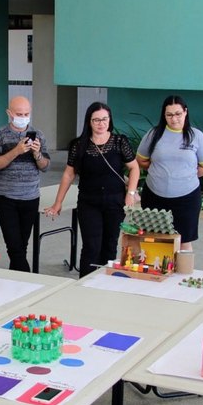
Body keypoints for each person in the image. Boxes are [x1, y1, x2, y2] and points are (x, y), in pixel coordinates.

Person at [44, 102, 140, 276]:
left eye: (105, 119)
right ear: (89, 121)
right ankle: (86, 283)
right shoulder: (78, 145)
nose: (101, 123)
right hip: (89, 201)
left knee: (110, 245)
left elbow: (134, 168)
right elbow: (68, 175)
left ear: (109, 120)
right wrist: (57, 203)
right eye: (96, 120)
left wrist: (131, 193)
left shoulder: (120, 142)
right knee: (91, 245)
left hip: (115, 201)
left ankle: (105, 283)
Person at [136, 95, 203, 251]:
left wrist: (186, 176)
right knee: (154, 238)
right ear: (164, 115)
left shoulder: (196, 136)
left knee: (184, 240)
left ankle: (184, 274)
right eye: (169, 115)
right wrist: (161, 173)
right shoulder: (154, 134)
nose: (174, 119)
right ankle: (156, 274)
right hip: (154, 196)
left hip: (187, 198)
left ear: (185, 112)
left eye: (178, 113)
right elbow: (141, 160)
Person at [0, 96, 50, 271]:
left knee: (21, 246)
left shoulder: (38, 135)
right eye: (19, 113)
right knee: (14, 246)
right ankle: (28, 279)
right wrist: (16, 151)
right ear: (9, 113)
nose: (23, 117)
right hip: (6, 197)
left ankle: (16, 281)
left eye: (26, 113)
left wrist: (37, 154)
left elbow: (46, 166)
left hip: (30, 197)